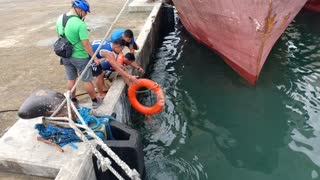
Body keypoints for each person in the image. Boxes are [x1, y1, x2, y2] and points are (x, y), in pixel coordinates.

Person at [56, 0, 102, 109]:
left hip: (65, 55)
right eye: (85, 12)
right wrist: (95, 58)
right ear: (79, 10)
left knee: (71, 79)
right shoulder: (80, 24)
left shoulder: (60, 18)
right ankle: (95, 101)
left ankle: (72, 100)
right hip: (80, 56)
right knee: (87, 79)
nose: (85, 14)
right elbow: (86, 44)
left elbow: (59, 36)